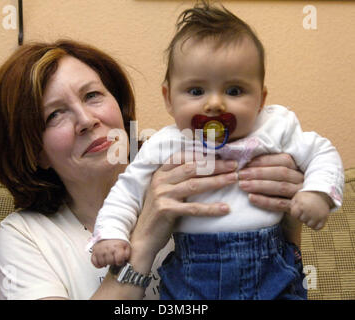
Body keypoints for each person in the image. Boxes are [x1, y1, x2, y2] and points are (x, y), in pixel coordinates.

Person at [0, 39, 305, 300]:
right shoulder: (25, 236)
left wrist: (285, 210)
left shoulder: (188, 161)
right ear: (34, 152)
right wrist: (147, 234)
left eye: (92, 95)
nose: (86, 120)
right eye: (54, 115)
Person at [90, 2, 344, 300]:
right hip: (192, 272)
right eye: (196, 91)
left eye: (234, 91)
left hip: (271, 265)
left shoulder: (276, 126)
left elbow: (322, 153)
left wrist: (316, 193)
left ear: (260, 98)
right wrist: (111, 234)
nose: (215, 104)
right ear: (168, 98)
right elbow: (127, 193)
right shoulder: (165, 143)